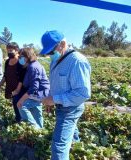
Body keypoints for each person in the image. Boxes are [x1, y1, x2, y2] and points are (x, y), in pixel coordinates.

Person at [40, 30, 91, 160]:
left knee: (59, 146)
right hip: (61, 105)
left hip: (71, 109)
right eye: (48, 53)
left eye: (51, 51)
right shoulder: (55, 61)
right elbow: (55, 83)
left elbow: (82, 93)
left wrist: (54, 99)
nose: (50, 55)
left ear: (62, 43)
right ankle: (79, 153)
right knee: (72, 134)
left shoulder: (77, 61)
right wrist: (52, 99)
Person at [16, 48, 50, 129]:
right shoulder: (34, 64)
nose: (19, 59)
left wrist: (21, 100)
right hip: (42, 92)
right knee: (36, 110)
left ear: (26, 57)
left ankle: (35, 128)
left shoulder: (33, 67)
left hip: (39, 92)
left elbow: (34, 87)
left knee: (21, 105)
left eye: (20, 57)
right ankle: (40, 130)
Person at [0, 42, 27, 123]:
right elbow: (5, 75)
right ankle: (18, 119)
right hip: (10, 86)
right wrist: (0, 84)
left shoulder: (20, 61)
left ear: (16, 50)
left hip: (19, 87)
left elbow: (22, 77)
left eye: (11, 50)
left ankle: (20, 120)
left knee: (18, 103)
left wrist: (17, 90)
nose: (9, 52)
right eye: (8, 50)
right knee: (15, 103)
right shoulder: (7, 62)